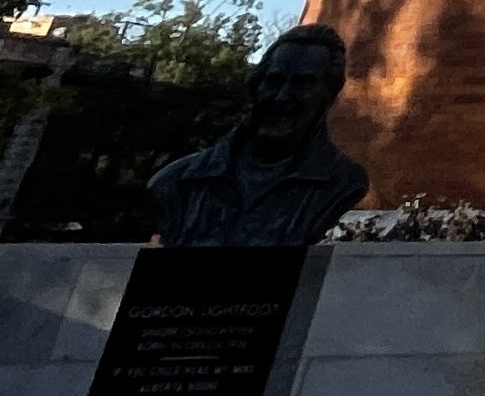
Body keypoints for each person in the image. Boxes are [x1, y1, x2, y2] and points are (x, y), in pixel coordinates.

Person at [147, 24, 369, 247]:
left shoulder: (342, 182)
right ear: (257, 86)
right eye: (274, 81)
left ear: (328, 96)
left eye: (303, 84)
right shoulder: (176, 182)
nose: (282, 97)